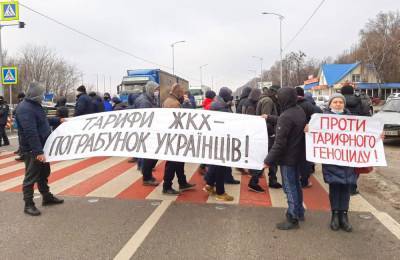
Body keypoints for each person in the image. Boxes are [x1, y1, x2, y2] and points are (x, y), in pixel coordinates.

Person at [15, 82, 64, 216]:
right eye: (41, 93)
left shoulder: (35, 105)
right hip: (33, 150)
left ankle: (46, 197)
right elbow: (30, 132)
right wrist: (38, 152)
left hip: (43, 146)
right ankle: (28, 204)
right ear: (36, 94)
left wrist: (58, 120)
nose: (43, 96)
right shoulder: (25, 109)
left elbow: (43, 120)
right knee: (31, 176)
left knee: (43, 173)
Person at [264, 87, 307, 230]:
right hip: (298, 155)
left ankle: (292, 217)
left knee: (289, 187)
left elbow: (279, 143)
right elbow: (288, 122)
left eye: (279, 97)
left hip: (288, 158)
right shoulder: (298, 111)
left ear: (284, 98)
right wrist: (269, 117)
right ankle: (299, 212)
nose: (277, 99)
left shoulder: (286, 115)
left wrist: (268, 160)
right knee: (296, 185)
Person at [319, 93, 358, 232]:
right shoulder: (322, 119)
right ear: (330, 104)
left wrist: (378, 135)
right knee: (335, 188)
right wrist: (308, 130)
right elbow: (316, 135)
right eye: (335, 102)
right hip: (332, 161)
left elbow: (364, 134)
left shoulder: (353, 119)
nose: (338, 104)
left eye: (340, 102)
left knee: (346, 188)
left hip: (348, 160)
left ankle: (344, 216)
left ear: (344, 104)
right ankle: (335, 215)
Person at [203, 87, 237, 201]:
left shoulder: (217, 104)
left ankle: (209, 185)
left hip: (216, 139)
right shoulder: (221, 107)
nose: (231, 97)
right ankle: (220, 192)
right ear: (224, 96)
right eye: (229, 95)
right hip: (220, 140)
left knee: (215, 163)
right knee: (221, 166)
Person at [162, 83, 196, 195]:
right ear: (178, 92)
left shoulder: (167, 101)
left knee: (179, 162)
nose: (183, 94)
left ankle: (182, 182)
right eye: (181, 92)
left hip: (172, 136)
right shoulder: (175, 104)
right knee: (173, 163)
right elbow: (181, 120)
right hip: (175, 137)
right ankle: (167, 186)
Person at [341, 84, 370, 195]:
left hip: (341, 138)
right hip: (357, 138)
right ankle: (352, 187)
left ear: (342, 93)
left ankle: (343, 184)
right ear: (353, 92)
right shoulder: (362, 102)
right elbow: (367, 120)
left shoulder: (339, 103)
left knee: (342, 161)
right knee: (354, 161)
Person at [134, 81, 161, 186]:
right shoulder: (144, 101)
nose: (157, 92)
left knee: (152, 155)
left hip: (151, 131)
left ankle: (147, 174)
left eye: (157, 90)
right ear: (150, 89)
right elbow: (144, 118)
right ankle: (146, 177)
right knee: (149, 156)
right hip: (147, 132)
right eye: (156, 90)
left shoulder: (150, 99)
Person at [256, 86, 282, 189]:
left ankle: (272, 179)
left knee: (270, 158)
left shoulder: (266, 99)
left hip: (267, 134)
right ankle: (255, 181)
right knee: (270, 158)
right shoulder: (268, 101)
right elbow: (265, 118)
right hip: (268, 134)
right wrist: (272, 132)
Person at [296, 87, 319, 188]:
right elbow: (317, 119)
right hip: (307, 136)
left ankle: (296, 178)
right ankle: (304, 181)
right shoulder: (309, 105)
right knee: (305, 159)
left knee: (295, 157)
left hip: (294, 136)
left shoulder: (291, 105)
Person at [14, 93, 26, 161]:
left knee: (22, 139)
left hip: (22, 124)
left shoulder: (22, 103)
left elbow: (16, 111)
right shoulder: (25, 102)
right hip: (23, 124)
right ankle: (21, 151)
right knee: (22, 139)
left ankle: (23, 155)